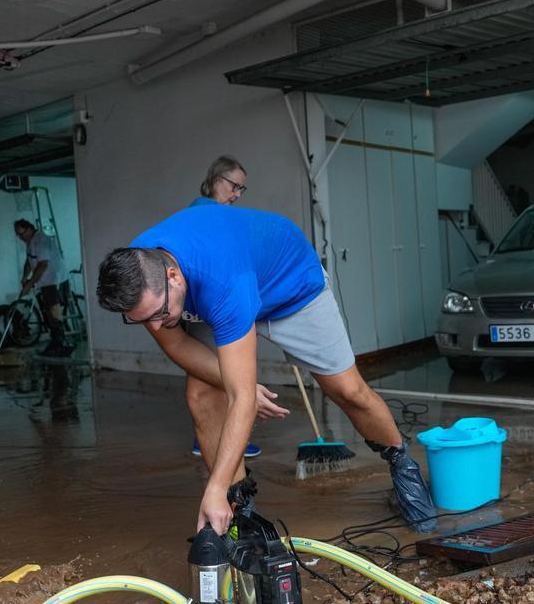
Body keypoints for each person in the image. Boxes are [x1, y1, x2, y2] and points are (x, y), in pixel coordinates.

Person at [96, 202, 437, 535]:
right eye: (141, 321)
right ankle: (239, 503)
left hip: (291, 290)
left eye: (158, 315)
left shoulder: (223, 282)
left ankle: (403, 466)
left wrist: (241, 392)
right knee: (201, 393)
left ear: (173, 276)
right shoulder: (141, 276)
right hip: (214, 292)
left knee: (349, 391)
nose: (155, 327)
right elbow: (177, 345)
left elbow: (241, 398)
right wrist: (235, 386)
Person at [190, 156, 262, 458]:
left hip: (206, 306)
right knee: (219, 375)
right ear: (215, 179)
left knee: (208, 373)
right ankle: (220, 442)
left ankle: (213, 440)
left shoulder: (203, 212)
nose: (236, 195)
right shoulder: (207, 214)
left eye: (242, 190)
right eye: (234, 186)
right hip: (212, 307)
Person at [14, 219, 74, 357]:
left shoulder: (41, 241)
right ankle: (56, 343)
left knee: (54, 314)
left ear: (29, 229)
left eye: (21, 233)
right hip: (45, 282)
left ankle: (61, 344)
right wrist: (24, 278)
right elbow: (29, 262)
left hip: (55, 281)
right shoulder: (30, 242)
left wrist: (29, 285)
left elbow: (42, 265)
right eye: (18, 235)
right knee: (47, 312)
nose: (20, 237)